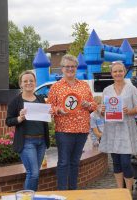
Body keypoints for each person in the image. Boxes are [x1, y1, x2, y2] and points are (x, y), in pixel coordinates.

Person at [47, 54, 96, 190]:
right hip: (64, 131)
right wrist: (58, 110)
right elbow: (49, 107)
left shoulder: (84, 86)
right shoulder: (56, 87)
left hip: (81, 130)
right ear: (62, 69)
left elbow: (93, 106)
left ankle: (73, 191)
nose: (70, 69)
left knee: (75, 162)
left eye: (73, 66)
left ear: (76, 68)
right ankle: (62, 192)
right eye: (67, 66)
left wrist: (88, 105)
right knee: (63, 162)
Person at [99, 61, 137, 192]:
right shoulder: (107, 90)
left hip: (126, 130)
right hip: (111, 130)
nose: (118, 73)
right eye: (115, 71)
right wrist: (102, 110)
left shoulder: (132, 88)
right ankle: (119, 190)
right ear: (111, 73)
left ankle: (128, 191)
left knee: (125, 162)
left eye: (120, 71)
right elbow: (102, 111)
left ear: (124, 72)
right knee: (116, 163)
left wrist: (128, 111)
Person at [6, 70, 51, 191]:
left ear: (35, 82)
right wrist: (20, 118)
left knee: (35, 174)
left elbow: (44, 118)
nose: (28, 83)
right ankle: (27, 198)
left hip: (41, 141)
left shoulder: (41, 99)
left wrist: (48, 113)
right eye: (25, 81)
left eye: (31, 81)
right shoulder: (15, 101)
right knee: (33, 173)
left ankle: (32, 196)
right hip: (26, 142)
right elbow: (8, 121)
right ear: (20, 84)